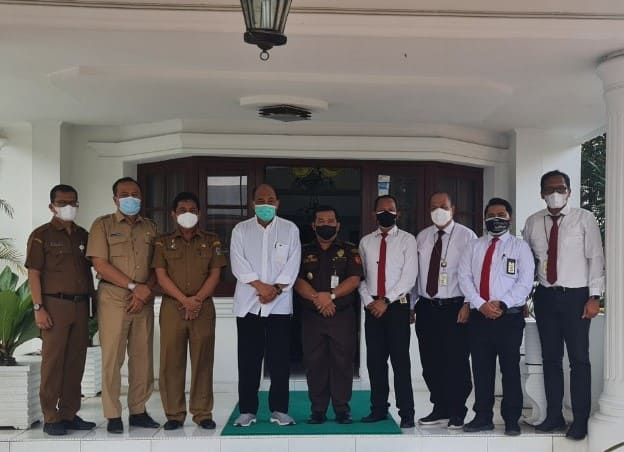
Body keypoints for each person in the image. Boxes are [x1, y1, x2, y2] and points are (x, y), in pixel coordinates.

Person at [523, 170, 604, 441]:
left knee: (579, 359)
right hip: (546, 296)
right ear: (541, 193)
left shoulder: (584, 219)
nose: (555, 193)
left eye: (560, 188)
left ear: (569, 191)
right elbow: (527, 262)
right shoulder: (533, 222)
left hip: (577, 297)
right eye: (549, 189)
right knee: (551, 359)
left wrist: (595, 297)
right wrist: (525, 297)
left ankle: (580, 420)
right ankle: (554, 416)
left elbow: (596, 258)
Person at [87, 177, 159, 434]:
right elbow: (100, 263)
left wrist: (144, 290)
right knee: (112, 358)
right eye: (125, 194)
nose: (131, 198)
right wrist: (132, 287)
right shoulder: (102, 225)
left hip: (143, 299)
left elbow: (157, 265)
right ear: (115, 199)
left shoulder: (150, 227)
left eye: (135, 193)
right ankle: (113, 414)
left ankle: (138, 410)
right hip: (114, 297)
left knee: (142, 357)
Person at [458, 197, 534, 436]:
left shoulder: (520, 247)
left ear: (510, 218)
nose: (496, 219)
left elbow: (525, 281)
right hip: (479, 317)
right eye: (491, 215)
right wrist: (480, 305)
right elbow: (464, 278)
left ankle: (511, 419)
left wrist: (502, 303)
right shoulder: (474, 246)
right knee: (481, 369)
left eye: (501, 214)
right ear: (484, 219)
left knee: (510, 368)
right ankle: (482, 417)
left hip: (509, 317)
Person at [25, 184, 96, 436]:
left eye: (73, 202)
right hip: (54, 304)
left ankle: (69, 412)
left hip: (80, 305)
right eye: (62, 202)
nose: (68, 207)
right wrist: (38, 308)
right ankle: (51, 416)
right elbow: (34, 274)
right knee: (53, 362)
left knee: (76, 361)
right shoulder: (41, 235)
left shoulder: (83, 235)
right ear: (51, 206)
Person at [152, 192, 227, 430]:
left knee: (203, 360)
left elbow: (215, 274)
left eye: (192, 210)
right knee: (171, 361)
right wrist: (185, 300)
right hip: (172, 307)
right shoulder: (162, 242)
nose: (188, 214)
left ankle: (202, 413)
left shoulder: (212, 240)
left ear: (200, 214)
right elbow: (161, 275)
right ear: (173, 214)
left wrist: (196, 301)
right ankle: (174, 414)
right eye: (182, 210)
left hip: (202, 308)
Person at [229, 183, 301, 427]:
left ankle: (279, 410)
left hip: (279, 306)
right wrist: (260, 287)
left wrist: (275, 290)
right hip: (249, 305)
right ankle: (247, 410)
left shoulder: (289, 229)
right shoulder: (241, 230)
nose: (266, 204)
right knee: (248, 360)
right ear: (253, 203)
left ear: (278, 203)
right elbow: (238, 263)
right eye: (261, 200)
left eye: (271, 200)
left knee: (279, 360)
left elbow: (293, 264)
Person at [294, 205, 363, 425]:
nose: (326, 225)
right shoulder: (302, 251)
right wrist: (319, 299)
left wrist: (330, 297)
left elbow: (354, 279)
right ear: (313, 225)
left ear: (338, 225)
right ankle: (318, 410)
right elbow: (296, 280)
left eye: (330, 221)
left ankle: (342, 409)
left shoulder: (350, 250)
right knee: (314, 363)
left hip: (341, 316)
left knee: (343, 363)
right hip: (312, 317)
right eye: (321, 221)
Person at [414, 192, 476, 429]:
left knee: (456, 361)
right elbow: (417, 274)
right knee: (430, 361)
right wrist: (412, 304)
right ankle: (439, 408)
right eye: (434, 206)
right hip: (427, 307)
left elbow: (473, 274)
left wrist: (468, 304)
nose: (438, 210)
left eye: (443, 206)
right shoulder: (422, 237)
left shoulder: (467, 236)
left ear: (453, 209)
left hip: (455, 307)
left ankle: (457, 410)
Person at [358, 194, 417, 429]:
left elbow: (409, 276)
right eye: (382, 210)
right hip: (373, 308)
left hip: (396, 306)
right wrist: (369, 301)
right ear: (374, 214)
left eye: (391, 210)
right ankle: (379, 409)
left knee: (400, 361)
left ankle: (407, 412)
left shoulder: (407, 240)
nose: (386, 213)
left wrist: (386, 300)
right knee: (375, 361)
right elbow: (361, 277)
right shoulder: (366, 242)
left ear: (397, 213)